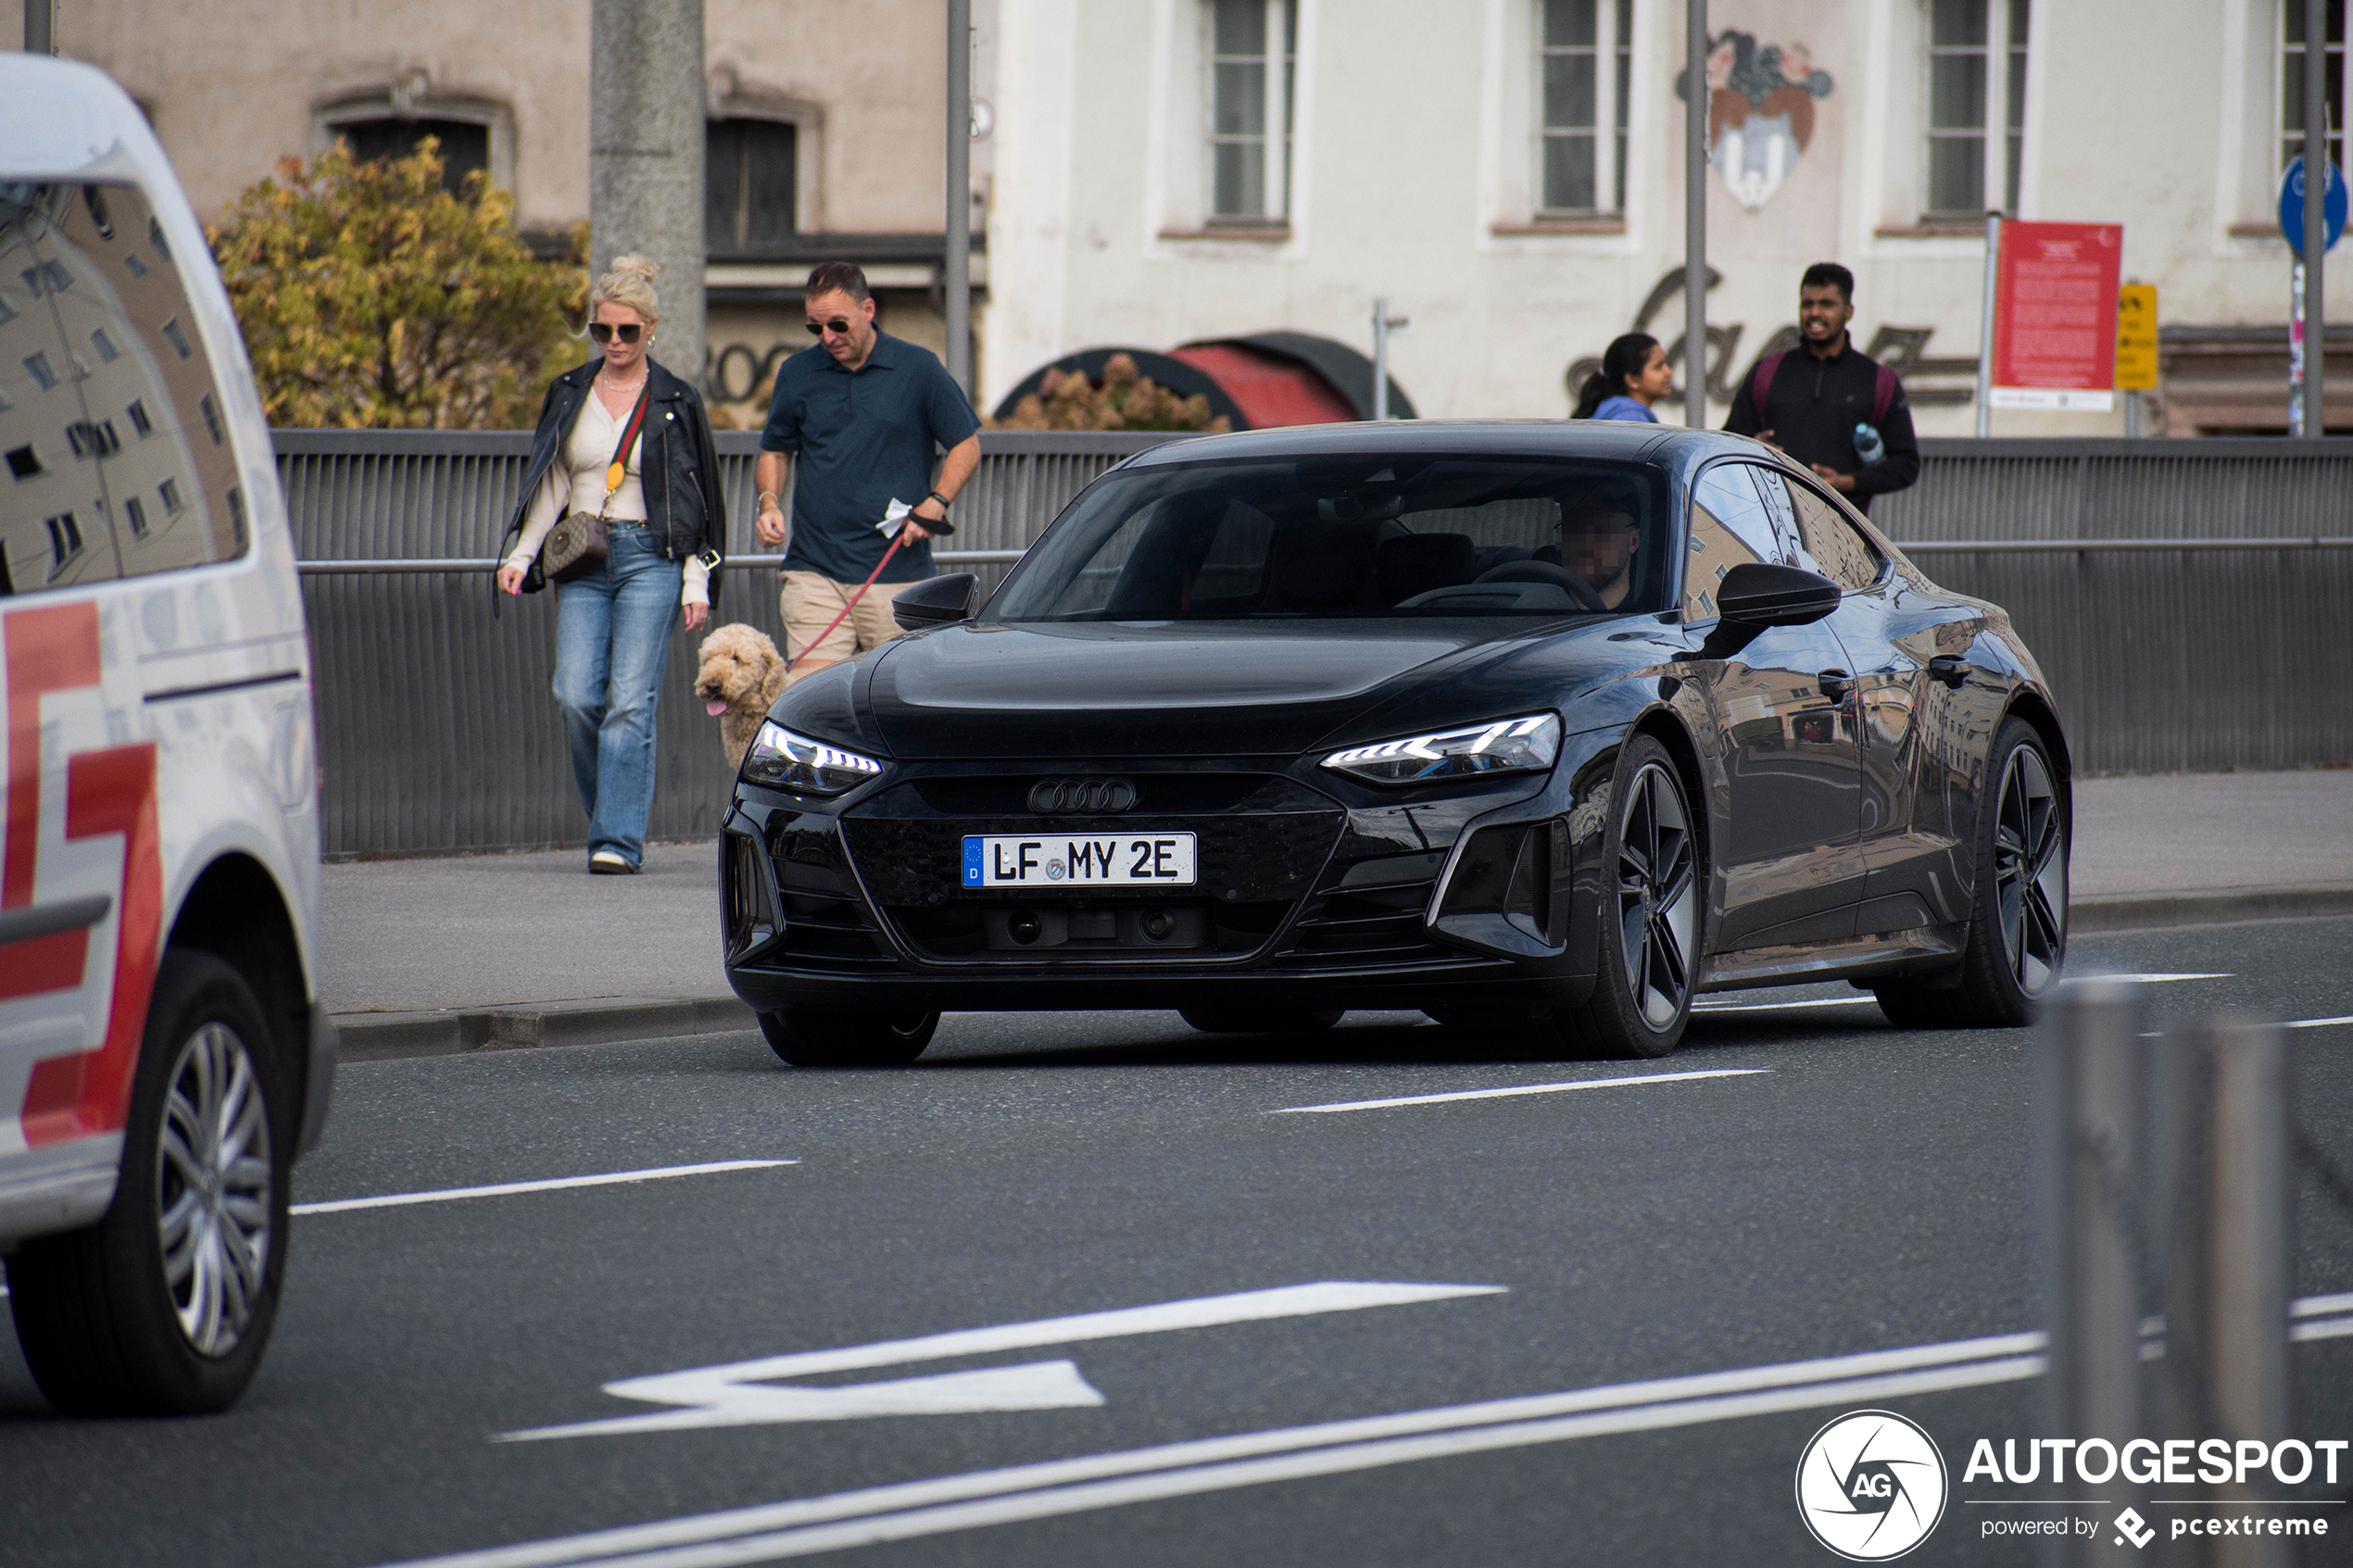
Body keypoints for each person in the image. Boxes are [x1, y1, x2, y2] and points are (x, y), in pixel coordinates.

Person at [496, 256, 724, 875]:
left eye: (627, 331)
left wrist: (696, 580)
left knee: (629, 700)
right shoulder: (570, 391)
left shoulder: (676, 398)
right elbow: (550, 482)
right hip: (583, 555)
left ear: (650, 328)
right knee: (574, 694)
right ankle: (611, 815)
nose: (615, 342)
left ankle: (617, 840)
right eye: (603, 331)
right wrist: (520, 554)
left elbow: (699, 502)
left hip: (652, 557)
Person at [754, 262, 983, 684]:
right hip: (814, 572)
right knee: (811, 702)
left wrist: (937, 501)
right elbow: (774, 451)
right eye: (816, 327)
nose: (828, 338)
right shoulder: (796, 373)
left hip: (897, 578)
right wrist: (768, 500)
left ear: (869, 310)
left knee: (899, 702)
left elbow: (966, 446)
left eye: (838, 324)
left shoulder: (919, 368)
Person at [1723, 261, 1920, 514]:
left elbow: (1906, 465)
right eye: (1807, 304)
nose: (1814, 313)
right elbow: (1728, 444)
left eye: (1826, 304)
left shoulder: (1879, 380)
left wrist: (1846, 483)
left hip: (1845, 533)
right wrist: (1753, 449)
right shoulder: (1767, 371)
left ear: (1848, 311)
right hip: (1770, 529)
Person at [1572, 332, 1672, 421]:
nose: (1668, 372)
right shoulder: (1631, 419)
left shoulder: (1615, 412)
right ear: (1633, 380)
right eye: (1658, 367)